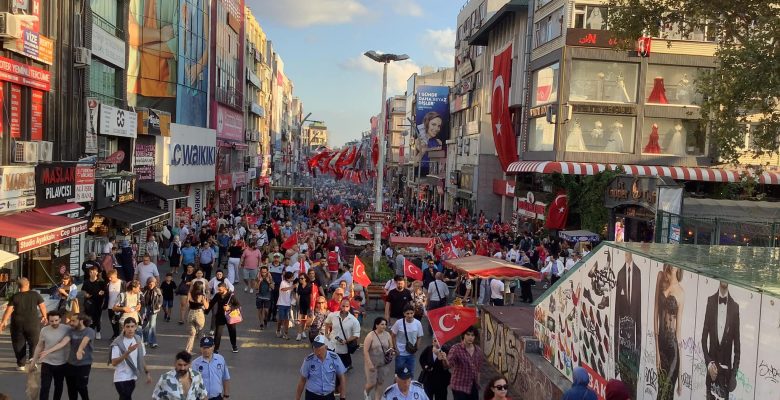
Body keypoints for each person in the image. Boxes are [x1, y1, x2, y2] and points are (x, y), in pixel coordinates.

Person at [701, 281, 740, 400]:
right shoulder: (711, 301)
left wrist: (733, 375)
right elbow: (703, 339)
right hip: (711, 374)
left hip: (725, 378)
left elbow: (737, 348)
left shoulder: (735, 307)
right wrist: (709, 364)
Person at [0, 277, 47, 370]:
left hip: (17, 324)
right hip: (33, 323)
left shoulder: (15, 296)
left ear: (18, 286)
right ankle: (32, 360)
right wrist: (44, 316)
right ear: (28, 284)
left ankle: (21, 364)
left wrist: (3, 322)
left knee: (18, 343)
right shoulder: (35, 295)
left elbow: (9, 310)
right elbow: (42, 306)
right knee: (34, 342)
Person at [654, 264, 684, 400]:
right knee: (660, 392)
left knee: (666, 394)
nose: (673, 265)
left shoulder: (681, 293)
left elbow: (678, 333)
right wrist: (657, 353)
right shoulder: (661, 277)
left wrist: (681, 375)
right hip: (661, 348)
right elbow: (655, 313)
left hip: (673, 352)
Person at [614, 252, 642, 398]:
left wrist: (639, 341)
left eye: (628, 252)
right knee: (625, 374)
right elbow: (617, 309)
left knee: (633, 377)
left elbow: (640, 308)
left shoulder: (639, 272)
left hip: (635, 335)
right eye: (625, 253)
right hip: (623, 334)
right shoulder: (619, 274)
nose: (626, 255)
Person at [31, 310, 71, 400]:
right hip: (47, 362)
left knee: (58, 386)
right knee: (45, 387)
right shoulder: (44, 330)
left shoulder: (66, 329)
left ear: (60, 319)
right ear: (48, 321)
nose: (54, 323)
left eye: (56, 320)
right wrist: (33, 362)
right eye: (51, 321)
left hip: (61, 363)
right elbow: (39, 346)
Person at [110, 317, 151, 400]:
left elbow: (141, 358)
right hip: (120, 377)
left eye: (132, 326)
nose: (130, 329)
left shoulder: (138, 340)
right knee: (125, 397)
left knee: (126, 397)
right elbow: (114, 362)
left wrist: (147, 373)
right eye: (128, 326)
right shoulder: (118, 342)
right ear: (123, 327)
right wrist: (127, 352)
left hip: (132, 376)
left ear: (136, 327)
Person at [295, 334, 347, 400]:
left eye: (319, 349)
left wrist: (342, 396)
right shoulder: (308, 360)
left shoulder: (334, 358)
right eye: (314, 348)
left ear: (326, 347)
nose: (316, 352)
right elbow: (302, 380)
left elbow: (342, 377)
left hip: (329, 396)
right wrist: (297, 398)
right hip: (312, 396)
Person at [442, 326, 483, 400]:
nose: (470, 337)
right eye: (468, 334)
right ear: (463, 335)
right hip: (459, 386)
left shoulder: (478, 350)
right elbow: (448, 365)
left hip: (472, 386)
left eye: (472, 335)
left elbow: (478, 369)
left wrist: (477, 384)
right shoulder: (456, 348)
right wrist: (444, 359)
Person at [64, 314, 96, 400]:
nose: (71, 323)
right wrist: (49, 350)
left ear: (81, 321)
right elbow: (64, 342)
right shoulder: (71, 331)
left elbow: (85, 341)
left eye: (73, 321)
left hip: (84, 364)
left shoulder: (89, 331)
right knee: (71, 389)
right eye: (71, 320)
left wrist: (80, 350)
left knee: (81, 386)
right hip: (71, 363)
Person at [325, 298, 361, 371]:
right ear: (340, 306)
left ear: (349, 307)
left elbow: (356, 335)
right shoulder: (333, 315)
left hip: (343, 346)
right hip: (332, 343)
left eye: (347, 306)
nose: (344, 308)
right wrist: (326, 333)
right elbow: (327, 323)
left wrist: (346, 341)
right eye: (343, 306)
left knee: (343, 365)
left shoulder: (354, 320)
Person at [363, 317, 395, 400]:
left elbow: (391, 346)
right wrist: (369, 363)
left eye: (385, 324)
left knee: (380, 383)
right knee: (372, 383)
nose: (384, 326)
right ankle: (367, 392)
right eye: (382, 324)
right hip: (372, 363)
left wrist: (392, 352)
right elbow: (365, 350)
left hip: (384, 363)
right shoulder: (370, 335)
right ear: (376, 325)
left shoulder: (387, 335)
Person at [390, 305, 424, 376]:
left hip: (411, 353)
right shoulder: (399, 323)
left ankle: (408, 387)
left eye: (411, 313)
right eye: (407, 313)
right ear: (404, 314)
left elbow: (419, 336)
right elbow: (393, 335)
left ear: (414, 313)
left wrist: (417, 347)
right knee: (399, 374)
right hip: (400, 353)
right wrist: (395, 348)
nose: (410, 315)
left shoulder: (418, 323)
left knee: (410, 374)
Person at [209, 283, 241, 353]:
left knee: (232, 332)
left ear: (225, 288)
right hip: (220, 316)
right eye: (218, 289)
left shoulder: (231, 295)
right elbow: (212, 303)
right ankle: (216, 349)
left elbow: (238, 305)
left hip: (230, 316)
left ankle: (234, 346)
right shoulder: (217, 295)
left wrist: (230, 307)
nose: (218, 290)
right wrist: (206, 311)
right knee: (218, 333)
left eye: (220, 289)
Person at [81, 266, 107, 339]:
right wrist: (85, 294)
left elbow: (105, 291)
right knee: (88, 317)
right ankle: (89, 332)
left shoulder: (101, 282)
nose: (92, 273)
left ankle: (98, 331)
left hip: (98, 302)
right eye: (91, 272)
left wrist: (102, 292)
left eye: (94, 272)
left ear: (97, 272)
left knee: (97, 318)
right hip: (88, 302)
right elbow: (83, 290)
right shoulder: (86, 282)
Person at [185, 281, 209, 352]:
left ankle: (188, 350)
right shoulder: (202, 295)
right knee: (201, 332)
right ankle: (204, 349)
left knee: (192, 333)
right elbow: (206, 307)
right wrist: (207, 301)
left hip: (191, 313)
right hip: (199, 313)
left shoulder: (190, 294)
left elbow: (187, 305)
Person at [141, 276, 163, 349]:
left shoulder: (157, 290)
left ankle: (153, 342)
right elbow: (140, 297)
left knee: (152, 325)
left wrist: (159, 306)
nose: (151, 284)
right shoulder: (144, 289)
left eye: (152, 283)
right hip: (145, 308)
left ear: (155, 283)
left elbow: (161, 299)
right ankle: (145, 340)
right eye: (150, 283)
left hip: (154, 309)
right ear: (147, 283)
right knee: (144, 325)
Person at [106, 270, 125, 340]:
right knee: (112, 322)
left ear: (115, 275)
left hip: (119, 307)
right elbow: (106, 294)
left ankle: (119, 336)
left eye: (111, 277)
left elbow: (125, 294)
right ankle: (115, 334)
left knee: (119, 322)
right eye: (109, 277)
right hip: (110, 306)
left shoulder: (122, 283)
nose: (109, 279)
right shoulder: (108, 284)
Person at [295, 275, 315, 341]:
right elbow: (297, 294)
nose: (300, 279)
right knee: (300, 320)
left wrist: (312, 305)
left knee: (305, 319)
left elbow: (312, 295)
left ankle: (302, 331)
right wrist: (297, 301)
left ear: (305, 279)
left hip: (308, 304)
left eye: (302, 278)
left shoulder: (310, 285)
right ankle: (299, 334)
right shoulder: (299, 285)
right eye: (299, 278)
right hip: (300, 304)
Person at [277, 271, 295, 339]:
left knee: (287, 319)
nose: (292, 279)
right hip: (281, 303)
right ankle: (278, 330)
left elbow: (292, 292)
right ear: (288, 278)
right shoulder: (283, 282)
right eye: (291, 277)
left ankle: (286, 333)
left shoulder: (291, 283)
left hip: (288, 304)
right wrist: (291, 287)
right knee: (281, 319)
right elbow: (283, 289)